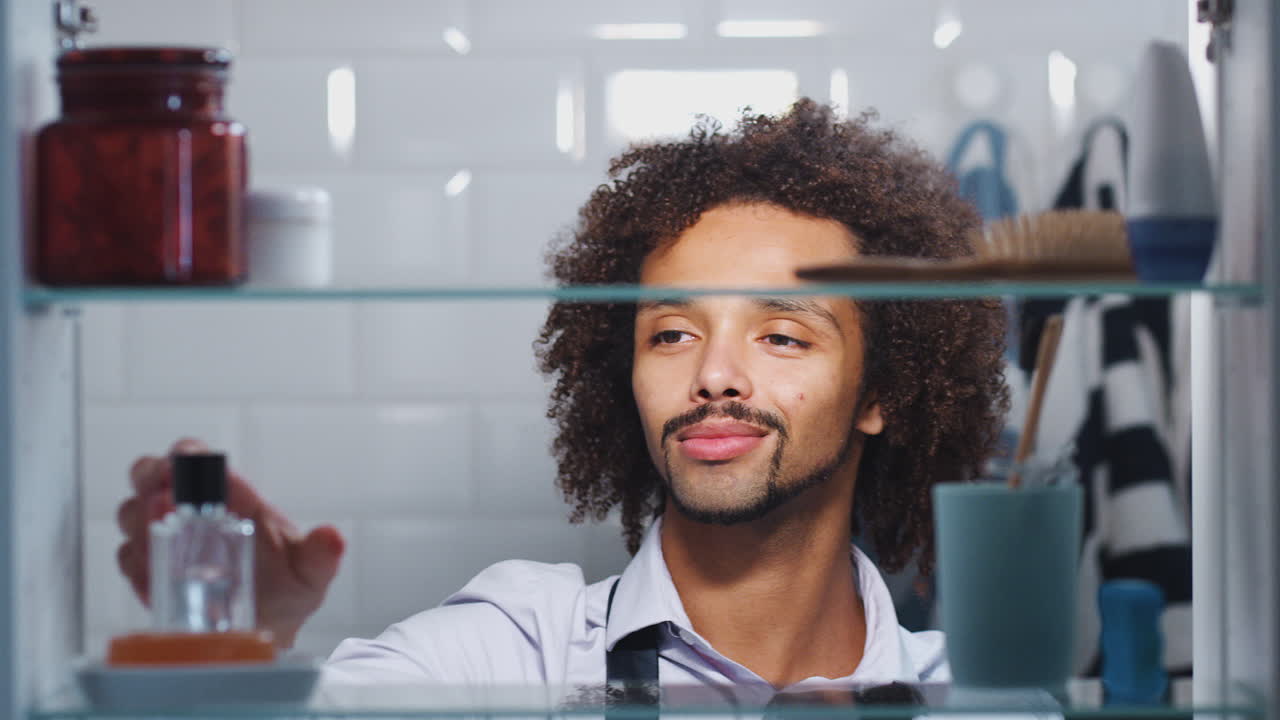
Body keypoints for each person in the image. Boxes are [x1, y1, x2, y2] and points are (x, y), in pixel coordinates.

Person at [114, 99, 1008, 698]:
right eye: (671, 333)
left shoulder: (979, 695)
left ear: (879, 392)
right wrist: (250, 648)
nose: (714, 376)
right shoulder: (515, 650)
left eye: (782, 335)